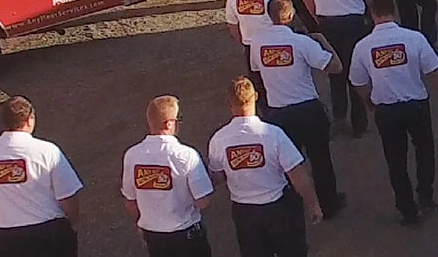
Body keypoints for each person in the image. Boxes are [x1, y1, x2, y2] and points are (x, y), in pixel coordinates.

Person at [350, 0, 438, 225]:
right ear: (394, 12)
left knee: (396, 160)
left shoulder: (363, 46)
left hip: (386, 110)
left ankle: (407, 208)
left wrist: (369, 104)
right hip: (416, 105)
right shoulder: (414, 39)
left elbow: (357, 82)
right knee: (424, 149)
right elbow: (434, 71)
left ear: (373, 15)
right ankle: (425, 195)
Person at [249, 0, 346, 219]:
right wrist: (323, 41)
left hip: (279, 112)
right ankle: (328, 203)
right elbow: (336, 67)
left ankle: (292, 208)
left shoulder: (257, 44)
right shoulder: (302, 43)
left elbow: (255, 69)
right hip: (308, 110)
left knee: (287, 165)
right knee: (321, 159)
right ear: (291, 15)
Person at [208, 78, 323, 257]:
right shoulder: (273, 134)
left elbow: (217, 177)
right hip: (279, 208)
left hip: (244, 212)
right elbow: (298, 175)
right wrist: (313, 204)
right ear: (255, 96)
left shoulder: (218, 140)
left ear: (229, 103)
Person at [0, 96, 82, 257]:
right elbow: (68, 195)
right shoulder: (47, 151)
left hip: (7, 239)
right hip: (49, 233)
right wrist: (72, 223)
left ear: (4, 123)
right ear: (30, 120)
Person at [300, 0, 376, 138]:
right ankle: (359, 123)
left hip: (327, 21)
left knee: (335, 71)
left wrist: (317, 17)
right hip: (353, 21)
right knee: (356, 70)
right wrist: (370, 15)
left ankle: (339, 116)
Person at [122, 96, 214, 257]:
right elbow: (203, 201)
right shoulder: (186, 155)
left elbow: (130, 201)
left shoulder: (132, 155)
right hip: (186, 236)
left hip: (153, 236)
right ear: (169, 123)